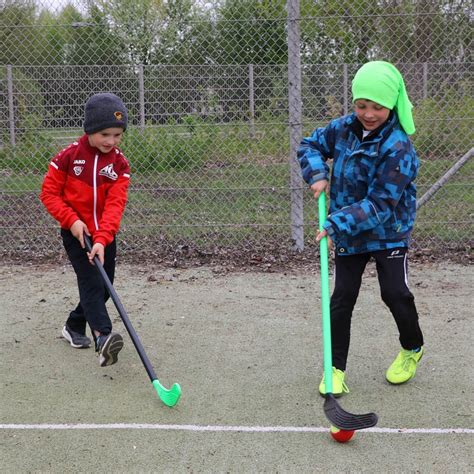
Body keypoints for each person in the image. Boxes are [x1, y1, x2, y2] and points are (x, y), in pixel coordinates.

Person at [297, 61, 424, 396]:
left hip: (388, 232)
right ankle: (335, 368)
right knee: (342, 298)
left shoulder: (398, 147)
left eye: (377, 107)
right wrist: (317, 174)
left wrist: (335, 221)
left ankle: (412, 348)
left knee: (394, 293)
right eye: (361, 105)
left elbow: (381, 204)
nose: (368, 114)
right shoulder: (342, 129)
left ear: (392, 104)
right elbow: (309, 144)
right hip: (352, 235)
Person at [40, 92, 130, 367]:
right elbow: (49, 194)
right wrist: (72, 220)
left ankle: (73, 325)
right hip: (75, 233)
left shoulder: (119, 164)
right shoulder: (67, 158)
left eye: (117, 135)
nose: (111, 141)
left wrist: (103, 237)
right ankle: (103, 337)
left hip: (105, 233)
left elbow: (115, 205)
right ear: (89, 129)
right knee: (91, 283)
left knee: (104, 288)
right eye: (105, 134)